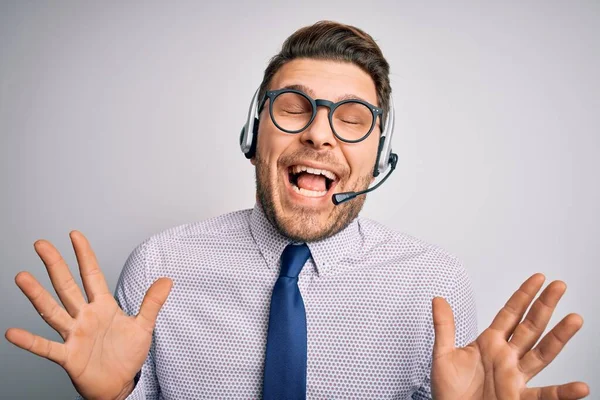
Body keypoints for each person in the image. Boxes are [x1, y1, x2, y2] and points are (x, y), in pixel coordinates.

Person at [5, 21, 590, 400]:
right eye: (294, 107)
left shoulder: (432, 283)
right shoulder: (163, 262)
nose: (319, 135)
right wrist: (113, 398)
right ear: (254, 133)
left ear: (377, 152)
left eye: (352, 118)